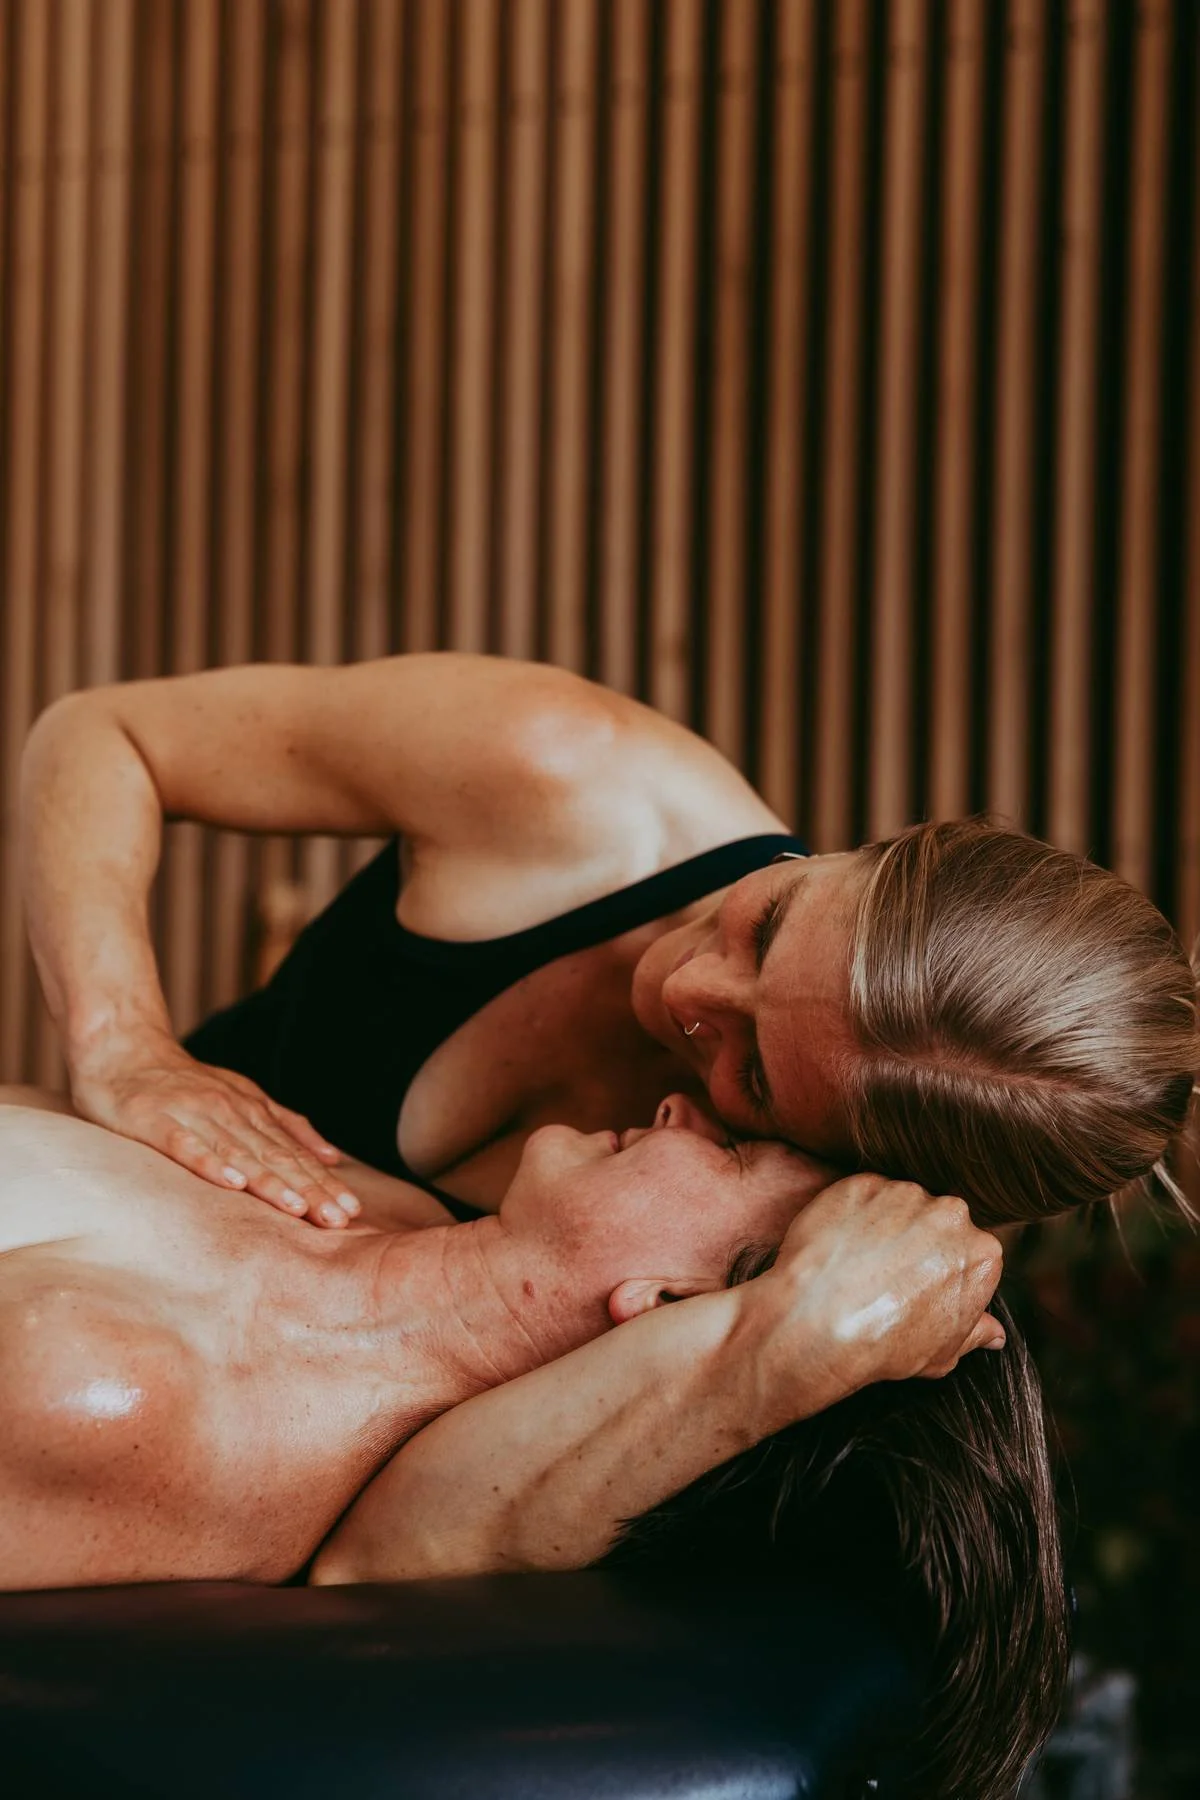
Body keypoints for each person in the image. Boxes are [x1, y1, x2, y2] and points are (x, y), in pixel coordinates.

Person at [0, 1086, 1063, 1800]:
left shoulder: (126, 1397)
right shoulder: (365, 1198)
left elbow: (428, 1541)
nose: (677, 1103)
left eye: (730, 1148)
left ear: (672, 1305)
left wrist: (792, 1336)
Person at [20, 655, 1197, 1240]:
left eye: (752, 1075)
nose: (682, 986)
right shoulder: (560, 771)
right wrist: (128, 1045)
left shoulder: (776, 1225)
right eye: (767, 921)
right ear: (877, 848)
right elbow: (102, 735)